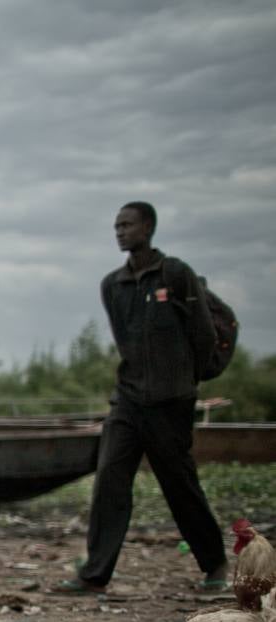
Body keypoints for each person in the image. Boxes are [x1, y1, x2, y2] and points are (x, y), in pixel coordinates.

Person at [54, 202, 226, 594]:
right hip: (129, 400)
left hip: (171, 402)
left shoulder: (176, 274)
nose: (120, 231)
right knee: (111, 480)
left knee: (179, 484)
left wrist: (184, 383)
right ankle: (94, 574)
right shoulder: (112, 284)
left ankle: (215, 563)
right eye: (116, 226)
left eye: (127, 225)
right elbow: (124, 339)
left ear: (148, 228)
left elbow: (203, 336)